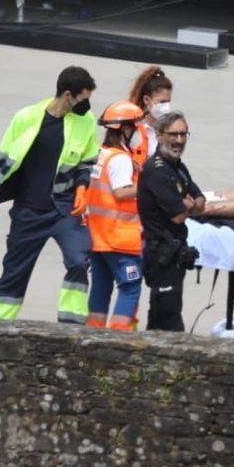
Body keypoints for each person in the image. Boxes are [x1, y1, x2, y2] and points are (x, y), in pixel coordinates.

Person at [0, 66, 98, 322]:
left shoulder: (85, 121)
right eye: (84, 98)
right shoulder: (26, 118)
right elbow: (2, 157)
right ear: (67, 95)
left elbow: (88, 161)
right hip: (28, 210)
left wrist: (81, 188)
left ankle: (72, 325)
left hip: (64, 208)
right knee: (15, 270)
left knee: (79, 262)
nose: (87, 105)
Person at [138, 111, 234, 332]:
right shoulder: (156, 170)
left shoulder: (178, 167)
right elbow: (178, 214)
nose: (179, 140)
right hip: (160, 253)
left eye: (183, 134)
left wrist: (188, 203)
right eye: (173, 135)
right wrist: (187, 204)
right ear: (158, 135)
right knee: (167, 315)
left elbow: (201, 203)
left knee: (163, 313)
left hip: (175, 252)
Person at [84, 101, 148, 330]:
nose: (139, 133)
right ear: (124, 128)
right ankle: (119, 339)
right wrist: (150, 187)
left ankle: (93, 333)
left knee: (101, 287)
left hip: (98, 237)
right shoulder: (120, 159)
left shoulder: (101, 154)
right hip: (119, 238)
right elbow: (121, 192)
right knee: (130, 287)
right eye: (136, 127)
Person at [127, 64, 173, 164]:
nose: (167, 107)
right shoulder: (133, 130)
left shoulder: (169, 130)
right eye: (162, 102)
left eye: (169, 101)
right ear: (147, 100)